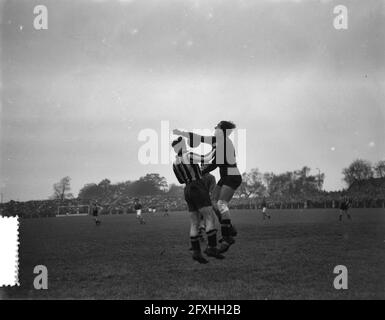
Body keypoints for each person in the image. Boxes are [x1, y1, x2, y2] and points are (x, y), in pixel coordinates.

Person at [173, 121, 242, 253]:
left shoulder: (226, 143)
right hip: (225, 177)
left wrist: (201, 171)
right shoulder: (216, 140)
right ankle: (229, 227)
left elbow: (216, 163)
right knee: (213, 202)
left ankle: (227, 237)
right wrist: (182, 133)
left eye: (217, 127)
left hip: (232, 175)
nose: (214, 128)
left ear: (222, 130)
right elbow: (198, 137)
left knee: (221, 204)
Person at [172, 136, 224, 263]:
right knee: (209, 216)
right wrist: (215, 148)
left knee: (194, 222)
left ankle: (196, 252)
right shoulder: (189, 155)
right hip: (197, 186)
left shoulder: (175, 163)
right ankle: (212, 247)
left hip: (187, 189)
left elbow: (180, 180)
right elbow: (206, 158)